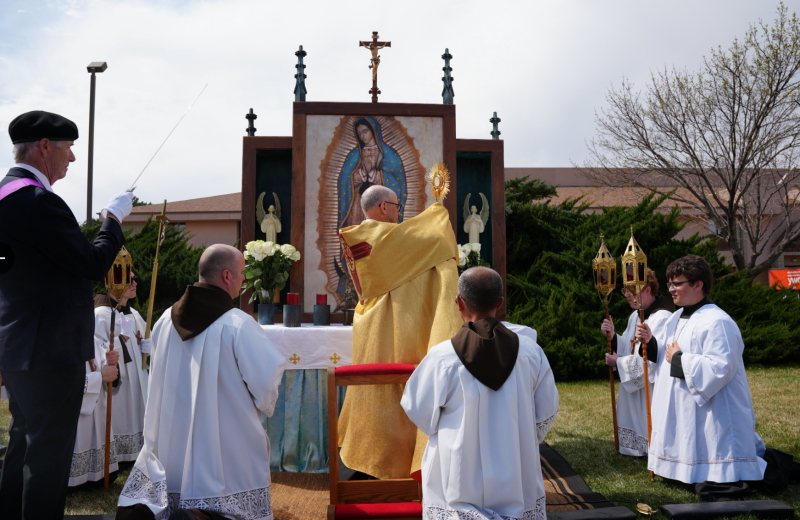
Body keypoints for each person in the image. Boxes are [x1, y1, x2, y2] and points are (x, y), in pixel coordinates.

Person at [0, 110, 133, 519]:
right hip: (51, 351)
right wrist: (113, 220)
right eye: (68, 149)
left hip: (19, 346)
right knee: (48, 457)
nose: (72, 159)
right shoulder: (40, 203)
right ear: (44, 147)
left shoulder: (5, 194)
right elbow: (91, 263)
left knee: (23, 442)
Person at [116, 244, 286, 520]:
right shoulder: (238, 325)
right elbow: (265, 383)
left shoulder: (164, 321)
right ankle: (204, 516)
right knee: (232, 506)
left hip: (172, 436)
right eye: (242, 273)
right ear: (227, 276)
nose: (244, 279)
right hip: (225, 437)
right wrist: (264, 404)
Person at [401, 267, 559, 520]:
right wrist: (521, 436)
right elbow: (546, 409)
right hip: (517, 478)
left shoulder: (442, 357)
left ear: (459, 302)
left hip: (459, 480)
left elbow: (418, 411)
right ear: (500, 303)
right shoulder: (531, 352)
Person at [337, 185, 462, 479]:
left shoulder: (359, 238)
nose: (399, 211)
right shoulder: (386, 237)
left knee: (374, 396)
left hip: (372, 330)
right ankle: (401, 465)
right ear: (382, 207)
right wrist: (438, 213)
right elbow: (436, 239)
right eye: (396, 205)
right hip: (399, 329)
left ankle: (371, 464)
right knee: (398, 393)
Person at [635, 255, 766, 486]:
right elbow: (665, 358)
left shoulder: (718, 321)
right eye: (670, 284)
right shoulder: (675, 317)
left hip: (713, 412)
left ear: (698, 284)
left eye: (677, 283)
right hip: (681, 405)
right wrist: (650, 343)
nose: (671, 290)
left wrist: (679, 359)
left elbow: (720, 368)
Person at [601, 268, 674, 456]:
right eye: (625, 290)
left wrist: (618, 362)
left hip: (651, 385)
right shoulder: (635, 315)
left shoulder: (662, 317)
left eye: (631, 290)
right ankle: (635, 446)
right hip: (635, 384)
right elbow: (629, 345)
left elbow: (652, 358)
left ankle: (651, 448)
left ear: (648, 289)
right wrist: (613, 336)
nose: (626, 295)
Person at [94, 274, 151, 464]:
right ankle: (117, 454)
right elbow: (96, 353)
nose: (136, 283)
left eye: (135, 279)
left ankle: (136, 451)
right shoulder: (101, 314)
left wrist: (149, 349)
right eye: (130, 280)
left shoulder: (134, 314)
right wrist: (121, 340)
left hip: (137, 378)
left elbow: (144, 344)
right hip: (118, 382)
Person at [68, 346, 120, 488]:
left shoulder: (93, 341)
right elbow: (62, 383)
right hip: (71, 413)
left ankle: (98, 474)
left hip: (98, 408)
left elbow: (110, 378)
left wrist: (112, 363)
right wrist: (100, 376)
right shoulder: (60, 339)